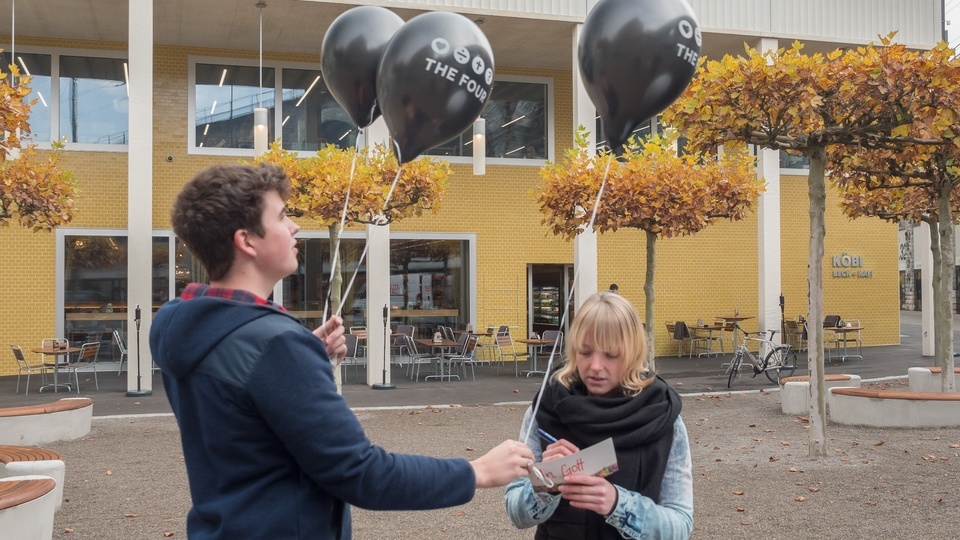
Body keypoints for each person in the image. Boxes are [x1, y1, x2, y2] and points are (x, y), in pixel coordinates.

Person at [151, 164, 534, 539]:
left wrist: (306, 355)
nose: (294, 226)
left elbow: (242, 416)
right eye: (283, 216)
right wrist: (477, 471)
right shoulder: (275, 346)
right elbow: (361, 473)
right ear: (247, 241)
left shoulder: (180, 323)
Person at [504, 292, 693, 539]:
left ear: (634, 353)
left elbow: (680, 526)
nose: (595, 366)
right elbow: (517, 513)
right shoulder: (547, 409)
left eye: (611, 355)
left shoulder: (662, 415)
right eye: (585, 352)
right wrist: (546, 483)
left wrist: (618, 504)